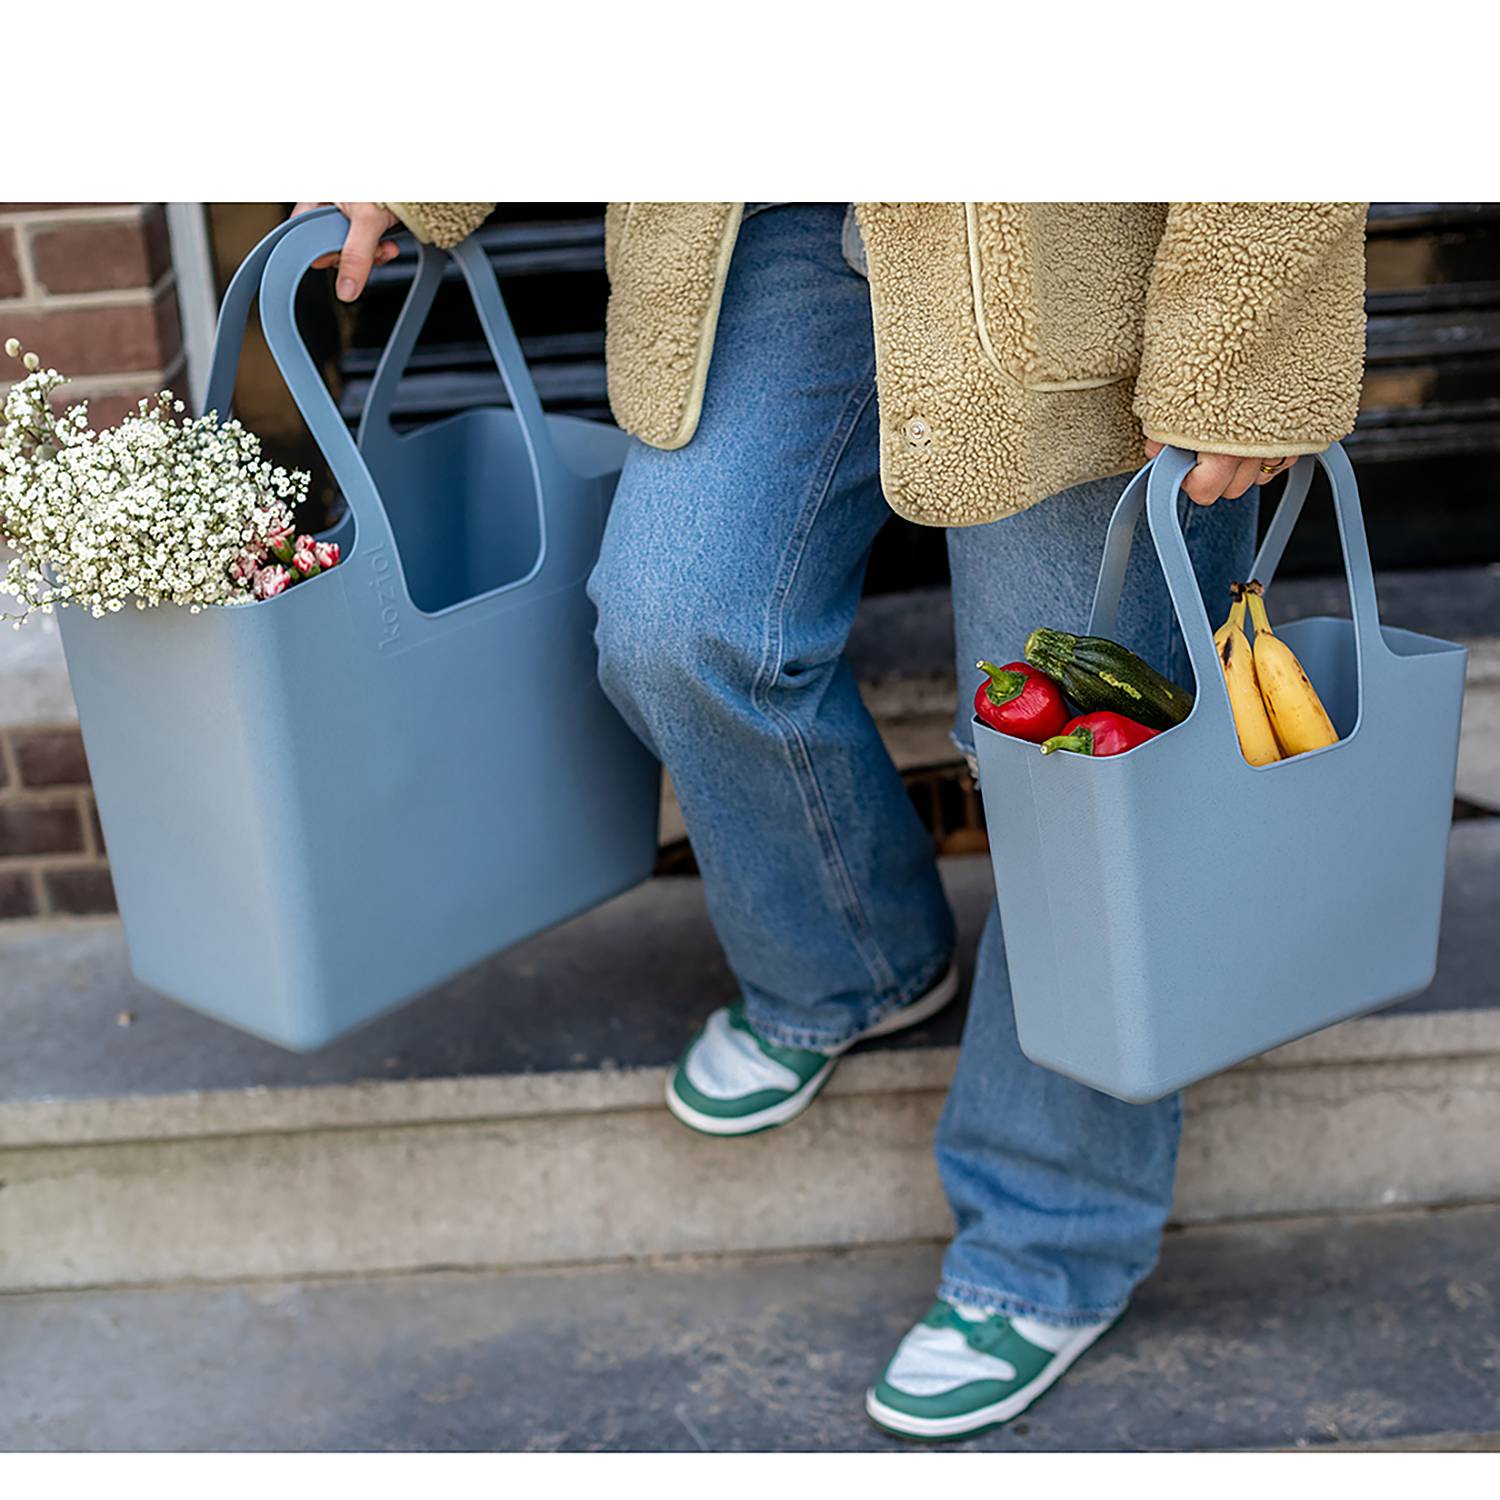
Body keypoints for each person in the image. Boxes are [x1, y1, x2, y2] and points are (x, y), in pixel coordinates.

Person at [295, 200, 1367, 1440]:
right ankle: (851, 962)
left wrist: (1241, 352)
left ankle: (1052, 1230)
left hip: (1077, 231)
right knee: (676, 626)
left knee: (1081, 775)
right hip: (772, 206)